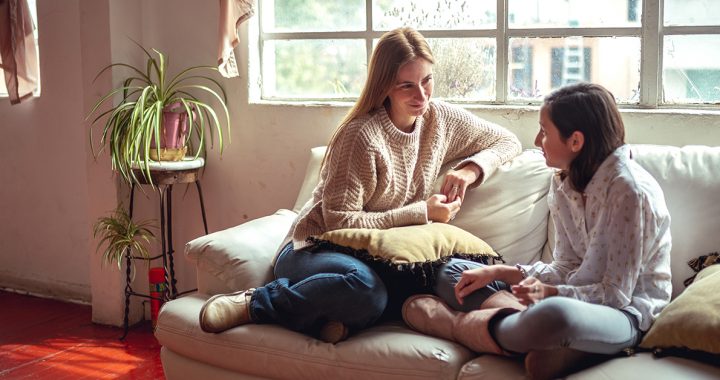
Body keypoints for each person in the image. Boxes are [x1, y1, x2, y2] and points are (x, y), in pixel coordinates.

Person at [197, 27, 522, 343]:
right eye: (406, 86)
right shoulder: (361, 136)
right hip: (315, 247)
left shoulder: (440, 120)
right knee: (365, 289)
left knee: (427, 281)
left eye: (427, 80)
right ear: (385, 87)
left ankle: (329, 319)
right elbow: (340, 222)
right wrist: (422, 212)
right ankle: (256, 303)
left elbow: (507, 140)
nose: (421, 95)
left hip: (379, 257)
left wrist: (469, 170)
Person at [402, 83, 672, 380]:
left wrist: (550, 294)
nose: (536, 140)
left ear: (576, 141)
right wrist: (499, 273)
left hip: (626, 316)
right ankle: (537, 336)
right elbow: (566, 266)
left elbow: (615, 295)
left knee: (556, 314)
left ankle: (454, 325)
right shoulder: (563, 183)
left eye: (544, 131)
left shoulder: (629, 192)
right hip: (569, 299)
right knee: (453, 273)